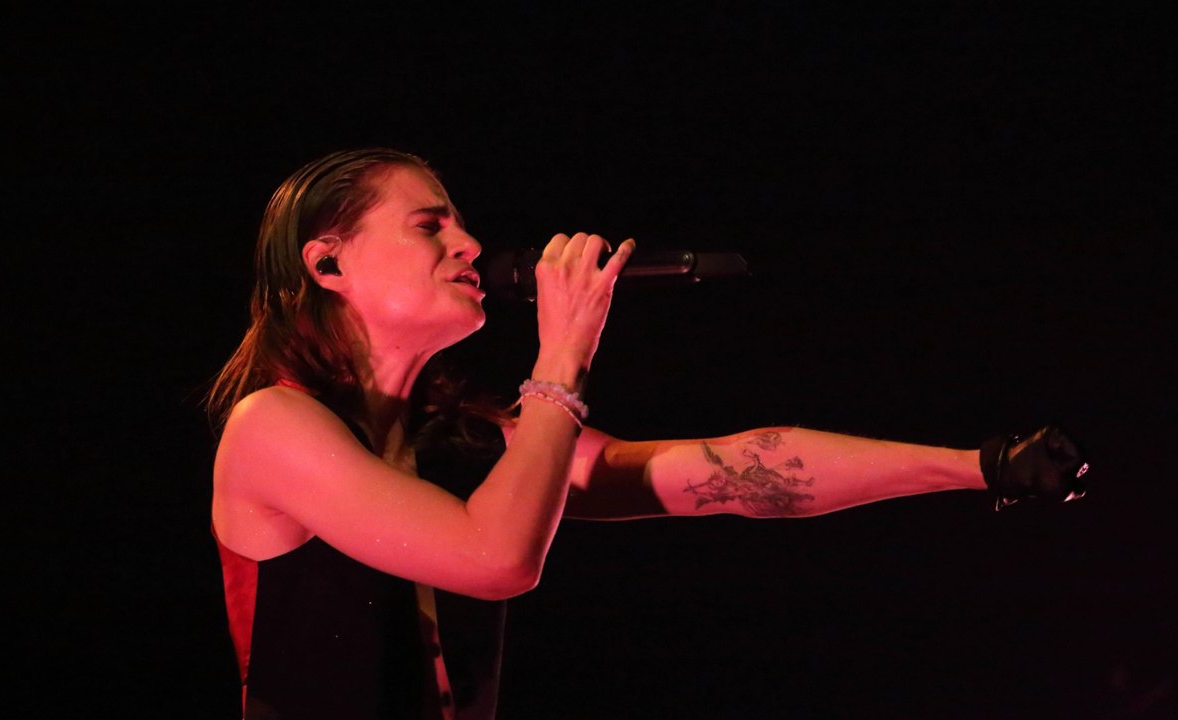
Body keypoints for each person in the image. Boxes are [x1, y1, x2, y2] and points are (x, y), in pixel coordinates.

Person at [207, 147, 1089, 719]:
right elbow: (498, 557)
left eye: (462, 221)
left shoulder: (468, 440)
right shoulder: (273, 427)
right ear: (327, 263)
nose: (472, 243)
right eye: (430, 225)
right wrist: (562, 359)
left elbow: (733, 472)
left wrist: (983, 466)